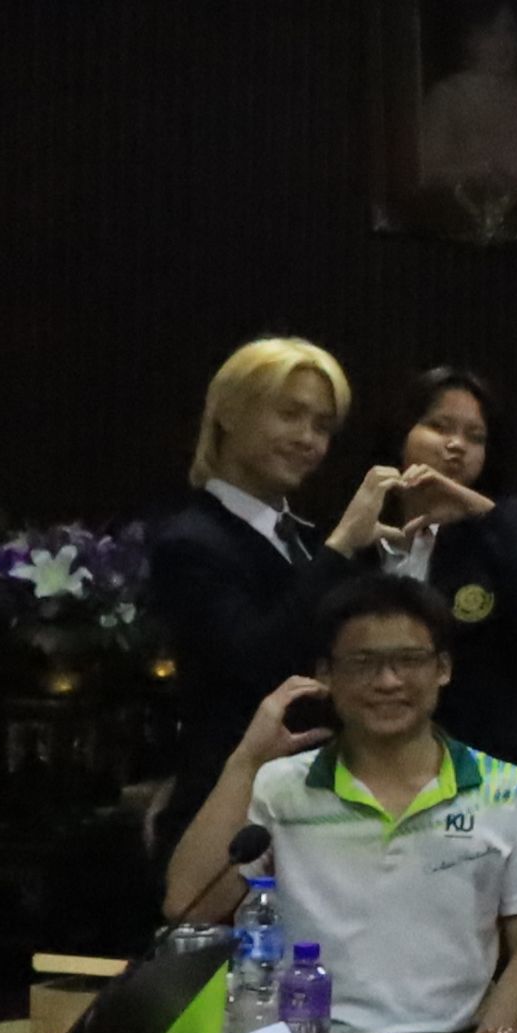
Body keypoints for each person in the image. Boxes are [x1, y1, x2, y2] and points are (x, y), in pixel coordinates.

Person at [161, 573, 517, 1033]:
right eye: (363, 663)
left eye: (409, 660)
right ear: (325, 675)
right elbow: (190, 905)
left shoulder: (506, 789)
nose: (388, 681)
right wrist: (245, 761)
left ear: (443, 668)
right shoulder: (278, 787)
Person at [151, 335, 364, 798]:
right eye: (289, 414)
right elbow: (255, 663)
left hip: (317, 791)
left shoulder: (305, 539)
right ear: (228, 413)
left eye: (322, 426)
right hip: (230, 801)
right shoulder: (190, 541)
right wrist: (342, 546)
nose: (307, 439)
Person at [355, 366, 517, 807]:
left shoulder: (509, 523)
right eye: (439, 427)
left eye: (475, 437)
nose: (457, 445)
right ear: (400, 433)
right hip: (372, 759)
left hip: (486, 763)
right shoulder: (362, 527)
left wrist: (478, 511)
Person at [417, 0, 517, 193]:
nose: (503, 43)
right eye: (490, 32)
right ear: (469, 39)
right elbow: (425, 173)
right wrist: (492, 166)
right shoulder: (448, 97)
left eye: (510, 31)